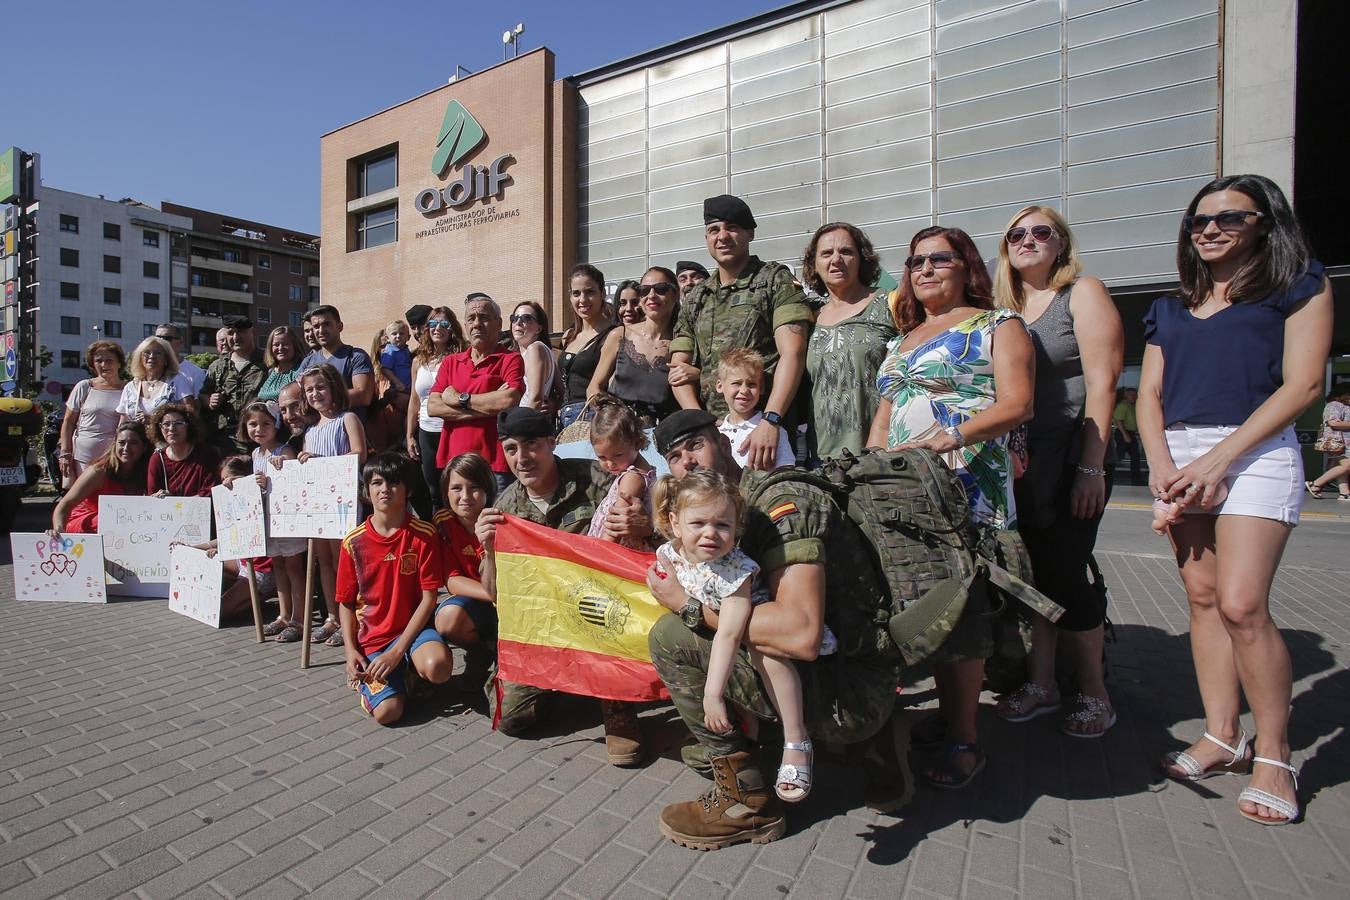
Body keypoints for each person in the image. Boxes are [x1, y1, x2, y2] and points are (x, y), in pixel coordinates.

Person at [1142, 174, 1331, 827]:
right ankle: (1224, 735)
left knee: (1243, 604)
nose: (1210, 229)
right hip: (1181, 451)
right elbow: (1148, 396)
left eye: (1228, 217)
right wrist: (1164, 468)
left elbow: (1305, 382)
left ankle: (1274, 755)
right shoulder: (1171, 307)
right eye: (1199, 221)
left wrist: (1218, 461)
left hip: (1256, 450)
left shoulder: (1297, 285)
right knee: (1201, 600)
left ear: (1264, 222)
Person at [646, 410, 901, 849]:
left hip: (850, 686)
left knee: (670, 636)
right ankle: (789, 743)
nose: (687, 460)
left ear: (726, 444)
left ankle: (749, 802)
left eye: (696, 445)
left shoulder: (780, 502)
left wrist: (688, 608)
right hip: (838, 668)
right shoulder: (722, 512)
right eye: (674, 455)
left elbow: (799, 634)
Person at [866, 226, 1035, 791]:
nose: (924, 268)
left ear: (967, 267)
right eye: (916, 260)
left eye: (940, 258)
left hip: (968, 481)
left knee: (962, 605)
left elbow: (1017, 403)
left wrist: (951, 437)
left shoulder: (997, 325)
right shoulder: (902, 337)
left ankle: (965, 737)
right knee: (921, 597)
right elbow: (885, 417)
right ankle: (944, 716)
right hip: (904, 485)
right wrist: (870, 468)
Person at [990, 205, 1124, 738]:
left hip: (1072, 454)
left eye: (1040, 231)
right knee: (1034, 575)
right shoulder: (1004, 307)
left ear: (1061, 242)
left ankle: (1095, 692)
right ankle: (1043, 684)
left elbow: (1104, 384)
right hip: (1022, 463)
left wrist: (1091, 465)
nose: (1027, 240)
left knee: (1066, 572)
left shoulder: (1082, 293)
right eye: (1016, 234)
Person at [472, 406, 652, 766]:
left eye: (532, 445)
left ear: (553, 443)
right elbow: (494, 593)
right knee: (511, 717)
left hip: (601, 612)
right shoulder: (505, 507)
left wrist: (644, 525)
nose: (522, 458)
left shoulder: (594, 477)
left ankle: (616, 705)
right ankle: (569, 681)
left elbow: (641, 475)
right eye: (511, 449)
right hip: (546, 625)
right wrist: (490, 551)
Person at [652, 469, 816, 802]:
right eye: (698, 523)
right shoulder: (672, 552)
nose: (711, 533)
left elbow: (730, 633)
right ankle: (749, 740)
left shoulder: (736, 572)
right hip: (715, 624)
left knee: (765, 651)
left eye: (722, 525)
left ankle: (797, 740)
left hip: (754, 628)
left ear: (736, 528)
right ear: (675, 522)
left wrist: (712, 695)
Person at [669, 194, 812, 471]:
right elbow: (678, 369)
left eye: (732, 227)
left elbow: (793, 352)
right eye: (714, 230)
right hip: (712, 436)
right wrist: (703, 423)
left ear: (750, 233)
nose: (722, 236)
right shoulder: (698, 296)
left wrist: (771, 420)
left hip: (764, 433)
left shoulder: (773, 281)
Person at [338, 452, 453, 726]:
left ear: (408, 489)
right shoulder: (352, 543)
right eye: (377, 483)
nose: (384, 489)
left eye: (393, 483)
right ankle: (373, 687)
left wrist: (397, 651)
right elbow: (344, 602)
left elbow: (429, 599)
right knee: (389, 714)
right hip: (373, 639)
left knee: (438, 668)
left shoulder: (424, 535)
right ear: (367, 490)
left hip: (413, 632)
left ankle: (409, 671)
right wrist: (350, 651)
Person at [800, 222, 897, 461]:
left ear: (862, 258)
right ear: (815, 263)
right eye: (826, 253)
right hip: (822, 457)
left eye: (846, 251)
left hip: (881, 452)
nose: (836, 260)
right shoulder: (808, 316)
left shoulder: (892, 303)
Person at [299, 364, 369, 648]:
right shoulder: (311, 429)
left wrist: (321, 462)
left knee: (345, 562)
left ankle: (350, 617)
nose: (315, 394)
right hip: (319, 506)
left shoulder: (347, 419)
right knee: (324, 561)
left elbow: (359, 454)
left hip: (344, 503)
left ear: (334, 389)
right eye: (309, 389)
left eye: (321, 387)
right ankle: (332, 615)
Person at [427, 295, 523, 495]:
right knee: (457, 524)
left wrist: (460, 399)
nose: (477, 324)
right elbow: (433, 407)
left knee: (495, 523)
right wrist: (489, 405)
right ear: (465, 325)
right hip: (455, 464)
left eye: (484, 317)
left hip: (495, 465)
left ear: (498, 323)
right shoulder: (451, 362)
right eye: (471, 318)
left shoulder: (510, 359)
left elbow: (508, 400)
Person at [180, 455, 279, 624]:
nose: (225, 483)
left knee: (219, 611)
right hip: (242, 562)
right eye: (223, 479)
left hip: (262, 569)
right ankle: (244, 596)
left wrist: (243, 484)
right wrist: (190, 548)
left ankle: (257, 597)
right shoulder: (233, 502)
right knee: (206, 561)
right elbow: (225, 537)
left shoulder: (260, 499)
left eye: (229, 479)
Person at [240, 400, 308, 643]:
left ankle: (300, 618)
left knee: (294, 569)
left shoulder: (284, 451)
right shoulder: (256, 453)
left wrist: (282, 467)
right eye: (253, 424)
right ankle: (284, 613)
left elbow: (291, 481)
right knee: (278, 566)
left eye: (266, 423)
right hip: (267, 520)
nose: (259, 429)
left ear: (276, 424)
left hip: (286, 520)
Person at [432, 452, 497, 692]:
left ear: (488, 489)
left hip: (511, 603)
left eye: (474, 487)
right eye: (456, 488)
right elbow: (452, 581)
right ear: (445, 492)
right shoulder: (443, 523)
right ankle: (481, 652)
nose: (465, 497)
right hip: (483, 600)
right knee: (447, 619)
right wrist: (493, 595)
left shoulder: (500, 519)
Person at [588, 266, 682, 425]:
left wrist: (694, 373)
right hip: (620, 431)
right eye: (644, 290)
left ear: (675, 294)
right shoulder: (619, 334)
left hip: (667, 434)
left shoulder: (683, 341)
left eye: (661, 289)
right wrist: (610, 416)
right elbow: (594, 388)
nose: (651, 295)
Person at [406, 306, 465, 516]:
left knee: (454, 484)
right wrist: (410, 435)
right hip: (426, 431)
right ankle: (439, 535)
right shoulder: (418, 361)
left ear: (452, 329)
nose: (437, 328)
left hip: (451, 429)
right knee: (433, 490)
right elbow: (414, 400)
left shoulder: (460, 358)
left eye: (443, 324)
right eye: (432, 323)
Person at [51, 422, 151, 534]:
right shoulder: (99, 471)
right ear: (115, 445)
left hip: (121, 525)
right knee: (113, 521)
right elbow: (65, 504)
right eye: (121, 443)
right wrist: (58, 529)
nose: (126, 448)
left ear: (144, 447)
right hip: (86, 523)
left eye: (134, 443)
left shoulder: (148, 470)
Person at [585, 396, 657, 550]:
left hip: (618, 550)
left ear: (637, 442)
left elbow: (616, 525)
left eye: (618, 455)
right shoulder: (640, 469)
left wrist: (599, 554)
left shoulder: (632, 478)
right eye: (602, 457)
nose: (610, 464)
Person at [58, 340, 127, 485]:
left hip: (118, 456)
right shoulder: (84, 387)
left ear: (119, 363)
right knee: (83, 500)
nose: (104, 365)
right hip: (84, 456)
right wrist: (65, 453)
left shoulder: (129, 389)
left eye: (109, 360)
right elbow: (68, 422)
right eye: (98, 361)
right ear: (92, 364)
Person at [716, 349, 796, 470]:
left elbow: (785, 473)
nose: (744, 390)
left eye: (751, 384)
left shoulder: (775, 433)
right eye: (737, 383)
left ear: (761, 388)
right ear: (720, 386)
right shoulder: (714, 434)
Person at [558, 267, 617, 429]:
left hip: (595, 417)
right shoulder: (569, 335)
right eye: (576, 293)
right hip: (565, 420)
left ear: (602, 293)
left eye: (589, 292)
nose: (583, 299)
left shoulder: (614, 334)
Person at [201, 315, 267, 453]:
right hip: (225, 440)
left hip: (258, 439)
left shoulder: (267, 362)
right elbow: (202, 395)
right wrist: (210, 400)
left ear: (252, 332)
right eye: (231, 333)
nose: (236, 337)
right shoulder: (218, 366)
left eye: (241, 331)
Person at [298, 305, 376, 419]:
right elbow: (299, 395)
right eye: (316, 326)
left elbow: (363, 395)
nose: (321, 330)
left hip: (349, 430)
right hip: (317, 430)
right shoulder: (307, 362)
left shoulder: (356, 356)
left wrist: (323, 399)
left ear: (340, 326)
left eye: (326, 324)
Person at [146, 402, 221, 498]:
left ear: (189, 426)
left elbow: (210, 493)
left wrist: (176, 501)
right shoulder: (157, 459)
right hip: (168, 513)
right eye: (166, 424)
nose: (171, 428)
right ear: (159, 428)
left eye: (178, 423)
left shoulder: (207, 454)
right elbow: (152, 496)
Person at [116, 336, 194, 425]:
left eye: (158, 353)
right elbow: (123, 421)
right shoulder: (130, 387)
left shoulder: (177, 381)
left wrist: (154, 420)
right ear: (140, 357)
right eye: (147, 353)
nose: (152, 356)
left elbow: (190, 414)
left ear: (166, 359)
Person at [509, 302, 558, 412]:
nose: (518, 322)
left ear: (539, 328)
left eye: (526, 318)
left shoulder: (535, 349)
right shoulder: (543, 351)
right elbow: (561, 391)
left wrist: (524, 425)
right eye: (514, 318)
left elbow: (535, 399)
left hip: (527, 421)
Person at [1305, 387, 1350, 499]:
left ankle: (1344, 493)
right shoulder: (1334, 405)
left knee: (1341, 467)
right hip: (1339, 441)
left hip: (1343, 442)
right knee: (1347, 466)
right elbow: (1333, 423)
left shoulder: (1343, 406)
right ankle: (1315, 484)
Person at [256, 325, 305, 403]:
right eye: (276, 345)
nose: (280, 348)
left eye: (286, 344)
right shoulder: (270, 372)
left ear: (295, 346)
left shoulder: (302, 370)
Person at [156, 324, 207, 398]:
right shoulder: (148, 371)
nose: (161, 342)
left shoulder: (195, 372)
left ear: (180, 341)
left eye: (167, 338)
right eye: (157, 338)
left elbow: (199, 404)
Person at [378, 319, 414, 414]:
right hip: (399, 389)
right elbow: (385, 369)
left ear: (408, 337)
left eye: (402, 334)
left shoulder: (406, 350)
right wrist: (397, 383)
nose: (398, 336)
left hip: (408, 388)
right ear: (387, 338)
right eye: (394, 334)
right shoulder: (390, 351)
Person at [1112, 387, 1144, 485]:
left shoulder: (1132, 406)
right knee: (1119, 455)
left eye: (1135, 395)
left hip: (1130, 433)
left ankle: (1136, 480)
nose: (1134, 397)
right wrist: (1125, 435)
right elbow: (1118, 420)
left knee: (1135, 457)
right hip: (1124, 433)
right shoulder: (1123, 405)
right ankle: (1108, 476)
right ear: (1126, 395)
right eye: (1131, 395)